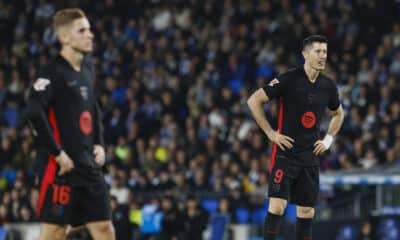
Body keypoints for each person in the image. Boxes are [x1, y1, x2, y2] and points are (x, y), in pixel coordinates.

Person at [22, 8, 115, 240]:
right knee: (54, 233)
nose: (90, 35)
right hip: (62, 168)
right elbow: (34, 110)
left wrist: (100, 143)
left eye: (90, 29)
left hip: (88, 165)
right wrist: (57, 153)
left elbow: (93, 108)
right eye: (82, 30)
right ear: (64, 37)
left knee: (104, 229)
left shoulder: (87, 68)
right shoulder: (52, 71)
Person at [247, 35, 344, 240]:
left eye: (325, 52)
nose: (322, 56)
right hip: (285, 154)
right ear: (305, 54)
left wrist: (328, 140)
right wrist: (271, 133)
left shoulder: (328, 86)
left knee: (307, 211)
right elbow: (254, 100)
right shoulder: (289, 78)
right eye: (317, 51)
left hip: (310, 156)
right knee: (278, 205)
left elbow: (339, 113)